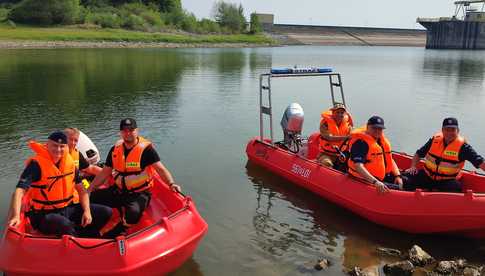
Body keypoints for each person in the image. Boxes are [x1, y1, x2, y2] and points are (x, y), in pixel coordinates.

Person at [7, 131, 112, 237]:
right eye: (55, 146)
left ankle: (85, 236)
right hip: (43, 214)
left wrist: (87, 211)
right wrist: (16, 216)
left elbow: (81, 190)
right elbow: (19, 191)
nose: (58, 149)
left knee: (105, 212)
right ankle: (80, 238)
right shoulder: (36, 165)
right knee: (64, 225)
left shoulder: (69, 164)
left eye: (62, 146)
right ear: (47, 145)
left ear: (66, 147)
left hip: (67, 208)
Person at [89, 118, 181, 238]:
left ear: (137, 131)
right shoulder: (115, 150)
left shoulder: (146, 150)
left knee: (134, 213)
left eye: (131, 130)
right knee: (91, 198)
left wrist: (171, 183)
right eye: (124, 130)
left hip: (139, 194)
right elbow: (105, 172)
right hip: (118, 190)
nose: (128, 133)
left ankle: (119, 229)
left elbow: (161, 169)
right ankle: (90, 223)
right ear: (120, 133)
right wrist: (90, 189)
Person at [403, 117, 485, 192]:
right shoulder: (434, 140)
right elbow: (418, 154)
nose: (449, 133)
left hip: (446, 181)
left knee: (455, 187)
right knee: (406, 177)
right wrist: (413, 166)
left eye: (453, 130)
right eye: (447, 129)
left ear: (458, 131)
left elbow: (480, 162)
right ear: (442, 130)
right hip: (427, 176)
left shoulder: (463, 147)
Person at [347, 116, 403, 193]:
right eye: (374, 128)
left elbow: (390, 159)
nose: (377, 130)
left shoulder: (381, 141)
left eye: (380, 128)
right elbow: (358, 166)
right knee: (398, 188)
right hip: (364, 178)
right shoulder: (361, 143)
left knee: (406, 180)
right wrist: (375, 182)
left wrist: (398, 176)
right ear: (367, 127)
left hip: (381, 176)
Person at [317, 103, 353, 168]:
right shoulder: (325, 124)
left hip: (341, 154)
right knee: (327, 163)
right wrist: (346, 137)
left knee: (352, 164)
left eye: (342, 113)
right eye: (337, 112)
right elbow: (329, 138)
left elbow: (352, 138)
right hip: (326, 154)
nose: (340, 114)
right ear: (333, 113)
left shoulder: (348, 126)